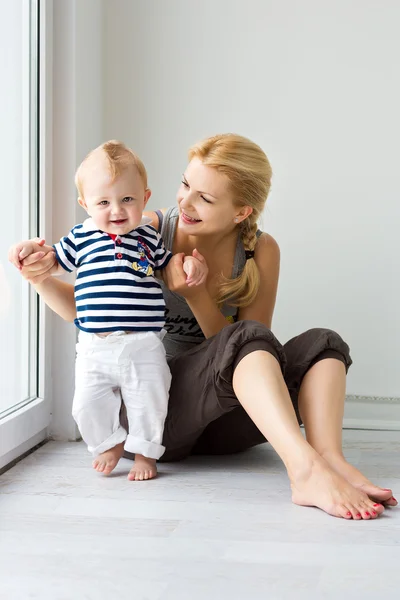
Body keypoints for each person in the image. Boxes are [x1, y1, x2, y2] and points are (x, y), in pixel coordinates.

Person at [9, 133, 397, 519]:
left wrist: (196, 296)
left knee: (322, 343)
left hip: (226, 423)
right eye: (185, 184)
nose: (185, 202)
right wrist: (39, 276)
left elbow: (253, 349)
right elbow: (87, 308)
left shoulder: (259, 250)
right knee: (245, 337)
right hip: (155, 419)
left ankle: (329, 459)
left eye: (205, 198)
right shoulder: (143, 230)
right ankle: (304, 472)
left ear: (241, 212)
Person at [9, 140, 207, 481]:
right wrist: (30, 250)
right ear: (85, 204)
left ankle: (145, 453)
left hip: (142, 342)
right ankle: (109, 442)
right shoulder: (82, 236)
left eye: (127, 199)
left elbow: (166, 265)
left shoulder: (148, 236)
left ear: (144, 199)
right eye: (103, 202)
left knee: (150, 400)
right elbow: (53, 260)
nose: (116, 210)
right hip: (94, 344)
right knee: (85, 404)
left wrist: (186, 263)